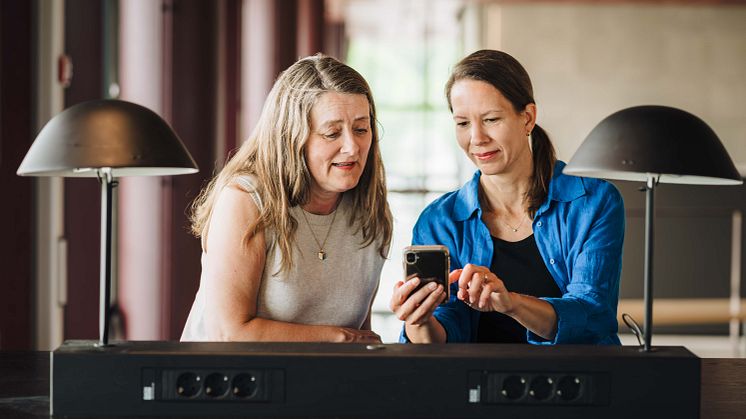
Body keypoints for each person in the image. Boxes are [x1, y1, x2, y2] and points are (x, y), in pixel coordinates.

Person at [390, 50, 625, 345]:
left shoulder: (594, 202)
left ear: (527, 118)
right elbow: (443, 335)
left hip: (573, 383)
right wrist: (418, 320)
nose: (476, 138)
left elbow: (591, 316)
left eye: (490, 119)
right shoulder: (440, 220)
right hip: (472, 385)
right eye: (462, 123)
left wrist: (510, 303)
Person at [182, 54, 392, 343]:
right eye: (332, 133)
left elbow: (360, 334)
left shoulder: (371, 212)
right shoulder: (245, 199)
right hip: (232, 381)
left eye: (361, 129)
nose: (352, 147)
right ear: (291, 138)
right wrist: (336, 339)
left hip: (319, 382)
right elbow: (228, 333)